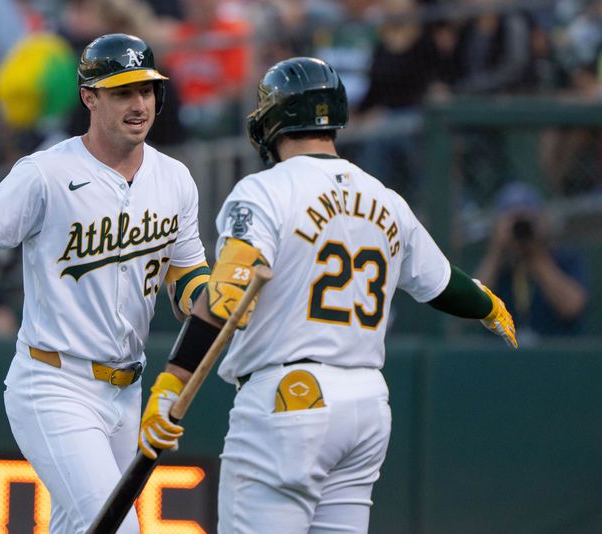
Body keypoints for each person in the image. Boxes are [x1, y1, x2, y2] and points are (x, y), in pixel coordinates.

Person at [137, 57, 517, 534]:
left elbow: (228, 294)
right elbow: (444, 285)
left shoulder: (264, 190)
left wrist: (174, 381)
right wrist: (488, 305)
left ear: (272, 120)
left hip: (289, 400)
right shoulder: (385, 197)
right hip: (366, 405)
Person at [0, 33, 209, 534]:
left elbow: (186, 274)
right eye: (122, 92)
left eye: (147, 90)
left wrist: (209, 301)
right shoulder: (46, 173)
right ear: (90, 97)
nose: (139, 104)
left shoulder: (176, 179)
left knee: (78, 527)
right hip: (56, 382)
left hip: (127, 389)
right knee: (118, 527)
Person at [475, 181, 588, 341]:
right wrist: (496, 252)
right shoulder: (496, 264)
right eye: (514, 221)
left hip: (555, 354)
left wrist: (536, 254)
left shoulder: (565, 258)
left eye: (527, 220)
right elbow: (470, 310)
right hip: (500, 357)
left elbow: (572, 307)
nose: (520, 228)